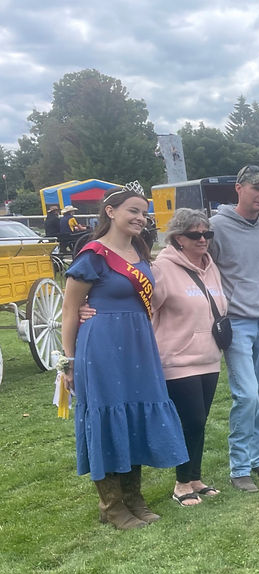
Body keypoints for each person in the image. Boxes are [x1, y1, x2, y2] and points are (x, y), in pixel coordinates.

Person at [61, 186, 188, 530]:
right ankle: (111, 505)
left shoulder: (139, 251)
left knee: (134, 415)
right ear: (111, 212)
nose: (139, 218)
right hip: (101, 345)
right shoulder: (93, 255)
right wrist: (68, 362)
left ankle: (134, 498)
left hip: (138, 344)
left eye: (144, 213)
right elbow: (71, 311)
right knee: (108, 415)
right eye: (132, 210)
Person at [209, 165, 259, 493]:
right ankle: (239, 467)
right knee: (246, 394)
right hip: (237, 323)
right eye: (256, 189)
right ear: (238, 188)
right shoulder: (215, 228)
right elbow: (203, 270)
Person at [152, 208, 227, 506]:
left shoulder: (211, 267)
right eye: (195, 235)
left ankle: (195, 476)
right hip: (177, 359)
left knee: (201, 421)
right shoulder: (162, 269)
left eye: (207, 234)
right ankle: (182, 483)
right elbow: (146, 311)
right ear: (178, 238)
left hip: (209, 356)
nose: (203, 239)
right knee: (190, 421)